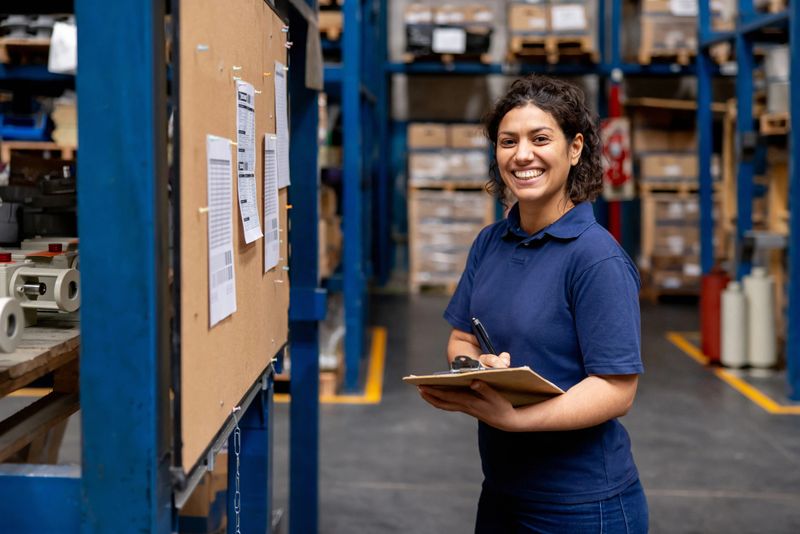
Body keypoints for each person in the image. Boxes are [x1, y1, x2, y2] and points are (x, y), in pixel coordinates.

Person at [417, 75, 648, 533]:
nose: (522, 155)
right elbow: (462, 336)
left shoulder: (595, 257)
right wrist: (475, 370)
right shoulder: (491, 242)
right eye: (508, 141)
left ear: (575, 148)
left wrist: (517, 419)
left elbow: (617, 390)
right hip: (503, 492)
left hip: (582, 506)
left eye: (540, 139)